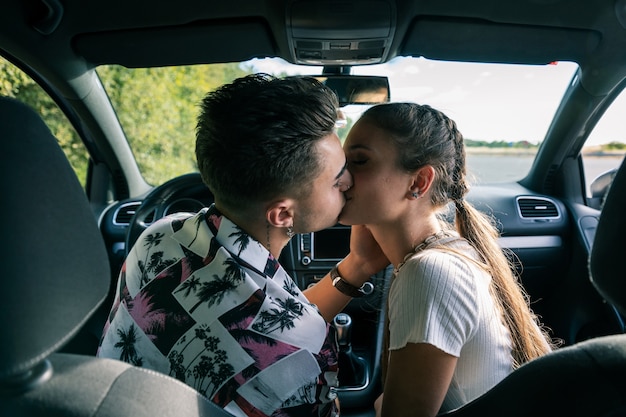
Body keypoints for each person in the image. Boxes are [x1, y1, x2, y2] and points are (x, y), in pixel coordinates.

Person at [97, 73, 388, 417]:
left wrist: (357, 266)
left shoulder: (158, 236)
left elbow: (251, 319)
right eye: (338, 180)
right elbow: (276, 332)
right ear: (282, 214)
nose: (351, 182)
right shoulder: (299, 364)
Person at [338, 102, 558, 417]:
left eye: (359, 160)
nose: (341, 177)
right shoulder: (450, 250)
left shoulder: (428, 272)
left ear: (418, 182)